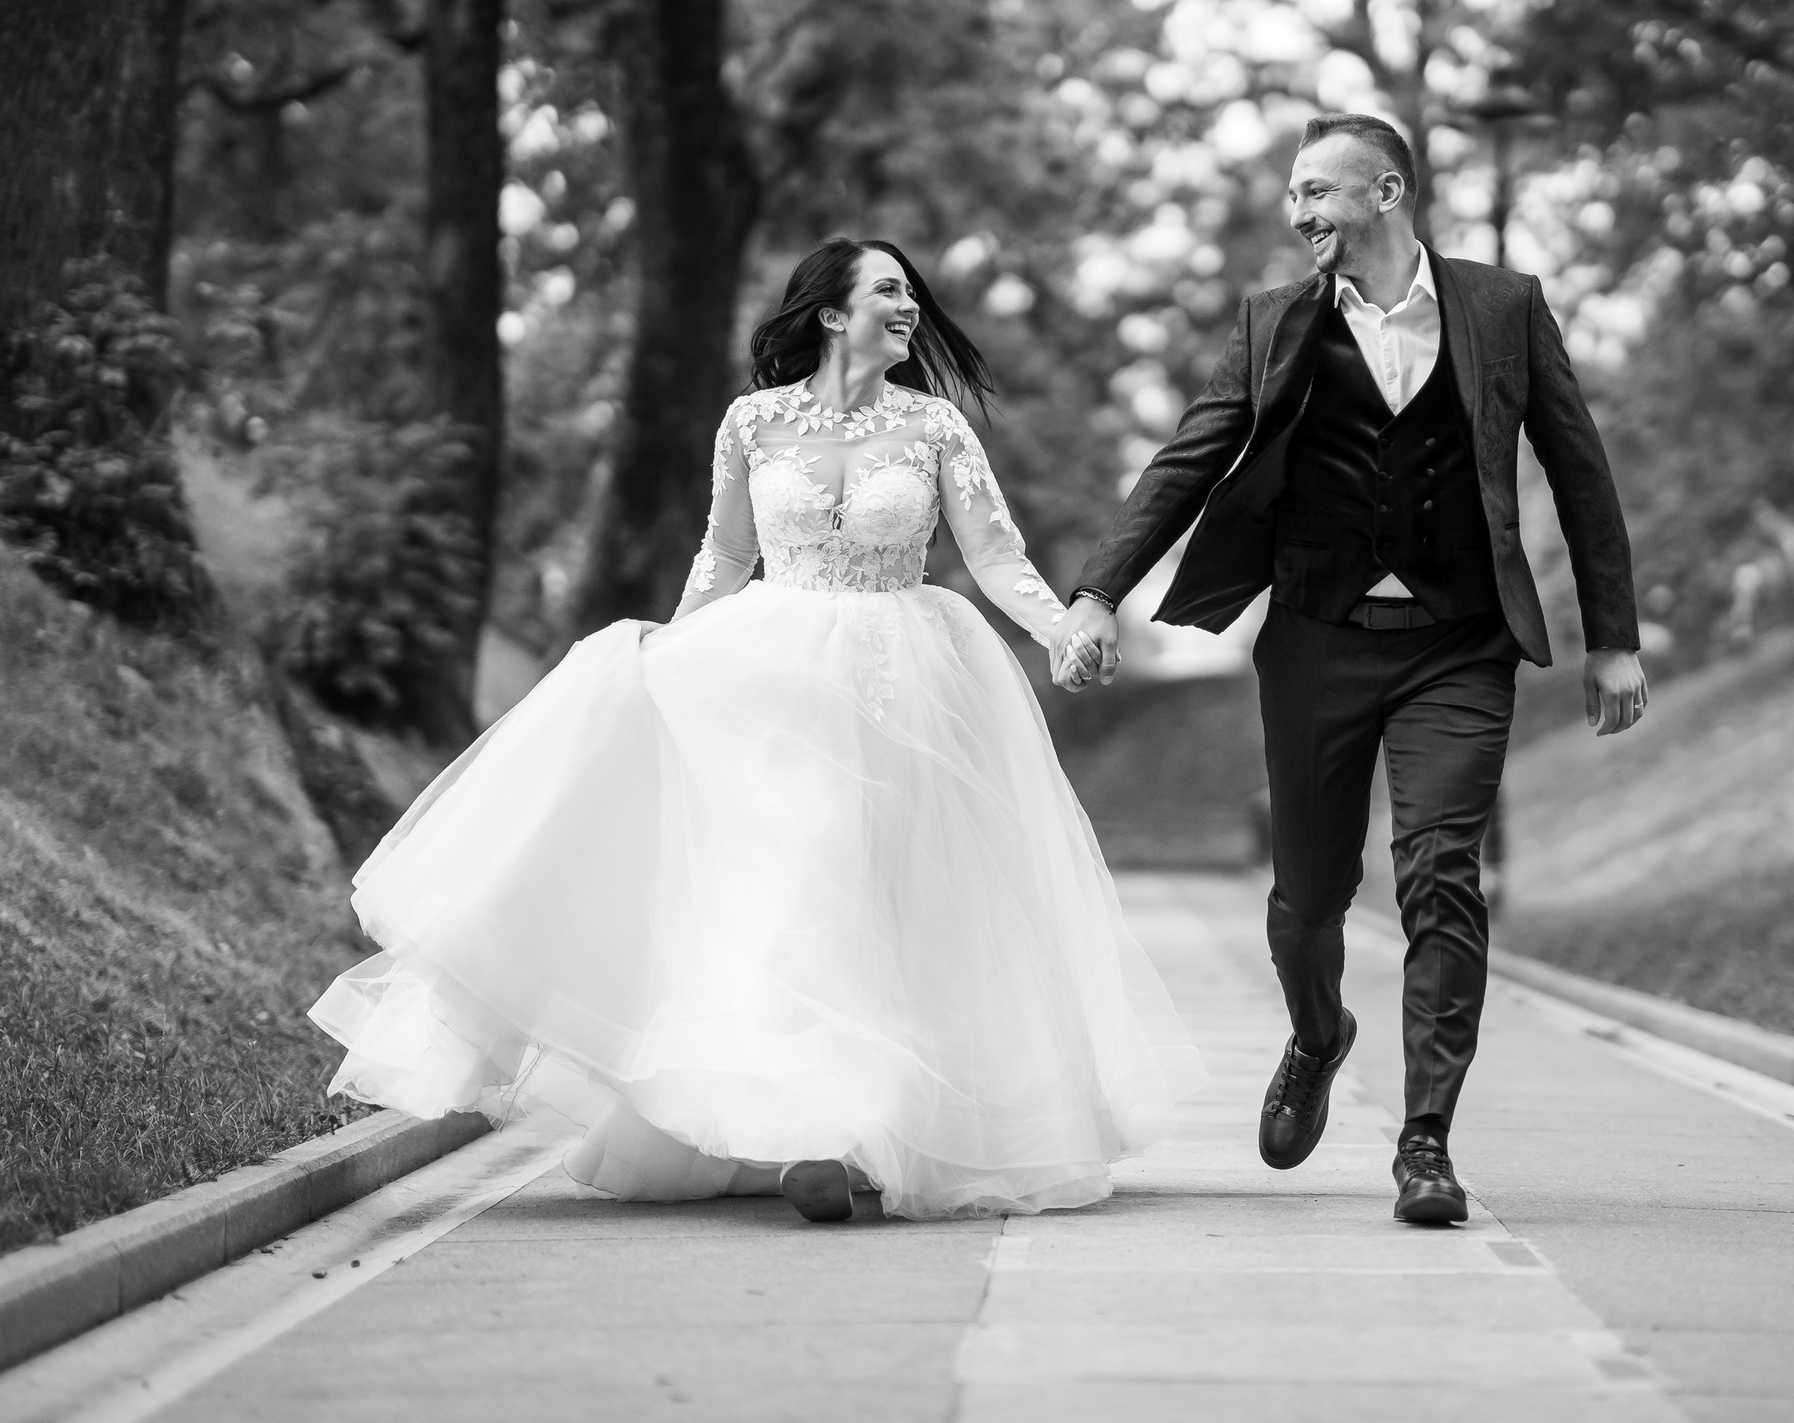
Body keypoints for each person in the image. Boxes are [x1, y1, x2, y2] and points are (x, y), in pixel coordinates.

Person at [310, 238, 1204, 1224]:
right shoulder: (755, 423)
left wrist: (1059, 633)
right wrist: (672, 655)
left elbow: (994, 555)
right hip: (767, 680)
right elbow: (726, 551)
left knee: (884, 898)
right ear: (830, 312)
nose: (911, 306)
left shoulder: (934, 427)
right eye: (888, 291)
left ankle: (874, 1130)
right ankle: (808, 1132)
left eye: (910, 292)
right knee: (790, 886)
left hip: (900, 681)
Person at [1053, 115, 1646, 1226]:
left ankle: (1426, 1142)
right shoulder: (1274, 323)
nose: (1298, 213)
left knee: (1438, 873)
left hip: (1459, 644)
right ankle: (1318, 1034)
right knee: (1307, 898)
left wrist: (1612, 635)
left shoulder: (1503, 308)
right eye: (1292, 195)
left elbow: (1578, 467)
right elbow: (1189, 456)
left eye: (1316, 191)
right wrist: (1096, 591)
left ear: (1385, 190)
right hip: (1317, 641)